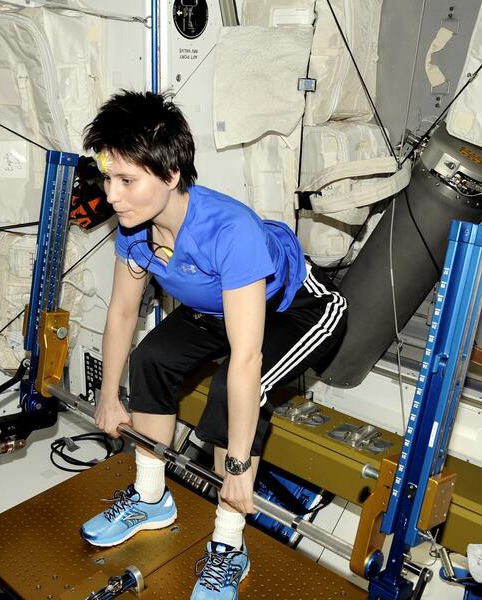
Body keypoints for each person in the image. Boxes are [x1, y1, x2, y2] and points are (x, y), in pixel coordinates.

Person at [79, 90, 347, 600]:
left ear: (171, 175)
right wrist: (110, 395)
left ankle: (228, 544)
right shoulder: (134, 230)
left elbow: (246, 358)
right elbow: (121, 312)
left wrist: (240, 470)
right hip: (220, 306)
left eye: (127, 181)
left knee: (231, 388)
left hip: (299, 309)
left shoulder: (229, 231)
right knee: (150, 359)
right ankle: (151, 496)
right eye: (109, 179)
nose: (112, 195)